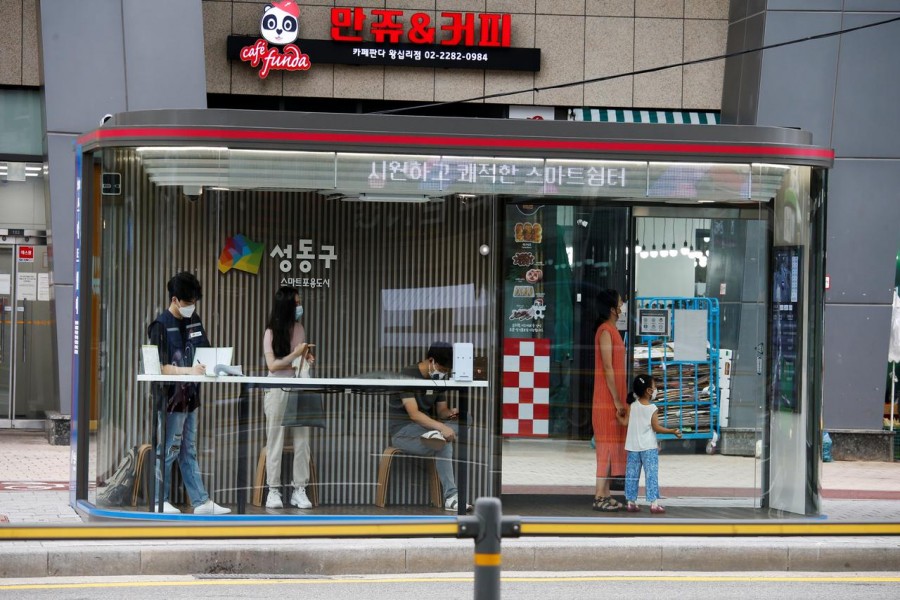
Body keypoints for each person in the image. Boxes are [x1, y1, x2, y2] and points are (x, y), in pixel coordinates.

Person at [147, 271, 231, 515]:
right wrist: (189, 370)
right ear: (174, 300)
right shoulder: (160, 326)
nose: (191, 307)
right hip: (170, 399)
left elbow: (204, 351)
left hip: (191, 398)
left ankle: (201, 502)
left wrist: (216, 364)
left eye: (194, 302)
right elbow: (160, 367)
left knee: (188, 449)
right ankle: (158, 500)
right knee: (169, 449)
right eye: (187, 303)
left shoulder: (194, 321)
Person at [387, 342, 465, 512]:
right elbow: (414, 414)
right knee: (443, 444)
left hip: (428, 430)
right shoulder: (407, 375)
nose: (443, 374)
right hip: (403, 432)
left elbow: (441, 410)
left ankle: (437, 435)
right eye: (442, 370)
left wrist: (451, 413)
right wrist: (441, 428)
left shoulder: (437, 379)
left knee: (466, 418)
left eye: (446, 372)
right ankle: (451, 497)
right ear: (431, 360)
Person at [262, 286, 316, 509]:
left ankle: (299, 489)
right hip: (276, 388)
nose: (299, 306)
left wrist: (306, 357)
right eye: (296, 302)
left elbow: (299, 359)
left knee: (303, 439)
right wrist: (295, 354)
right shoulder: (270, 332)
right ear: (287, 306)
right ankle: (273, 490)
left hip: (298, 387)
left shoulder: (300, 329)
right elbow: (272, 365)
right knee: (274, 438)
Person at [623, 374, 682, 514]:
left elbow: (624, 423)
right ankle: (654, 504)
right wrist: (672, 431)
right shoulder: (652, 408)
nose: (656, 390)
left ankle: (631, 502)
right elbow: (656, 428)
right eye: (655, 387)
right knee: (651, 475)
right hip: (649, 447)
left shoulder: (632, 406)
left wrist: (618, 416)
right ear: (649, 391)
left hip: (632, 447)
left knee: (632, 475)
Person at [592, 289, 627, 512]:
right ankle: (598, 496)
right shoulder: (605, 331)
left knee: (611, 445)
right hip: (607, 399)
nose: (622, 306)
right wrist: (616, 400)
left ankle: (605, 493)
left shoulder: (613, 330)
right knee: (605, 446)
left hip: (614, 396)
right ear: (612, 308)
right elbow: (607, 367)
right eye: (620, 303)